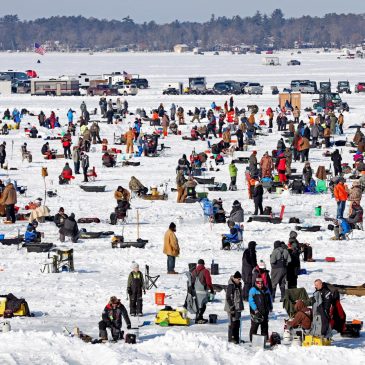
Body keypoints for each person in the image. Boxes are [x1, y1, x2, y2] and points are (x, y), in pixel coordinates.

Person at [248, 277, 273, 342]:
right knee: (254, 327)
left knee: (265, 327)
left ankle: (265, 340)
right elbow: (251, 301)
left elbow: (269, 299)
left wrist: (270, 307)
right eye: (259, 284)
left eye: (261, 283)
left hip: (265, 311)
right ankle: (252, 340)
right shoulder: (253, 290)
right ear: (256, 283)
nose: (260, 285)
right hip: (256, 312)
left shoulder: (266, 290)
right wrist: (255, 309)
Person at [191, 259, 214, 324]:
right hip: (203, 292)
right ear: (203, 264)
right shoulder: (205, 271)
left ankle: (198, 317)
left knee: (197, 305)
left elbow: (191, 282)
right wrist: (211, 289)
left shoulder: (194, 271)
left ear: (198, 264)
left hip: (195, 292)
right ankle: (199, 318)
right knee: (203, 305)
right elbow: (208, 282)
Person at [225, 271, 244, 344]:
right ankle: (231, 338)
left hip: (238, 307)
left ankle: (236, 337)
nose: (239, 281)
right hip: (231, 308)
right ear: (235, 278)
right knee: (232, 323)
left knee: (237, 323)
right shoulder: (231, 286)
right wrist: (232, 308)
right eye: (238, 279)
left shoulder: (238, 285)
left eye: (240, 279)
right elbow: (228, 298)